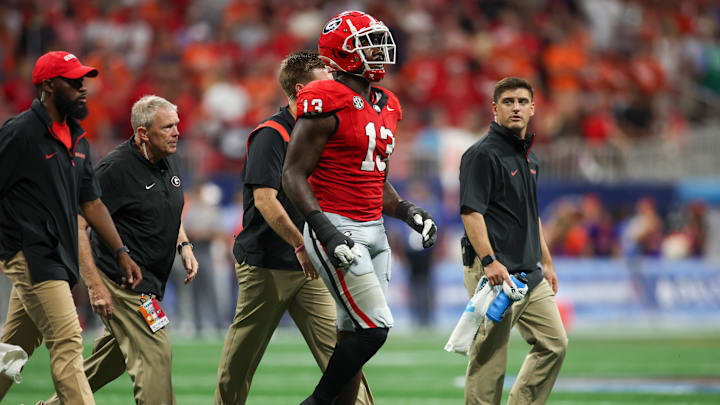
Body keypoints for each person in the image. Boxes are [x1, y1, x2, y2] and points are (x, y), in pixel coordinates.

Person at [282, 12, 437, 405]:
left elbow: (373, 176)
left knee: (353, 335)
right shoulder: (325, 97)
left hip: (375, 229)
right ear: (342, 53)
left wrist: (405, 210)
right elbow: (293, 174)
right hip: (336, 223)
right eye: (367, 44)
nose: (378, 52)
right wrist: (325, 230)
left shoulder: (386, 103)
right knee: (376, 327)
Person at [215, 50, 373, 405]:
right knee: (238, 366)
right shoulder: (271, 135)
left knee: (343, 357)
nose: (336, 89)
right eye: (326, 83)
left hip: (313, 265)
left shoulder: (326, 130)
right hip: (266, 264)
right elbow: (266, 200)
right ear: (302, 90)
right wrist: (301, 244)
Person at [0, 51, 142, 404]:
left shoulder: (78, 139)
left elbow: (91, 203)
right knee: (67, 341)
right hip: (30, 253)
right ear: (48, 86)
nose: (83, 89)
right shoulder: (20, 133)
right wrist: (9, 246)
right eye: (74, 82)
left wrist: (120, 250)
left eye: (83, 81)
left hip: (59, 256)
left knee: (14, 346)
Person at [42, 95, 198, 405]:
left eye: (176, 125)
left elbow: (169, 207)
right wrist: (96, 286)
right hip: (122, 281)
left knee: (110, 360)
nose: (176, 132)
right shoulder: (114, 170)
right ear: (142, 134)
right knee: (156, 351)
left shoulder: (169, 157)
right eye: (167, 127)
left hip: (151, 282)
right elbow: (77, 225)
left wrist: (184, 244)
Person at [458, 77, 568, 405]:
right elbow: (471, 213)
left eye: (522, 101)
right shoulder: (480, 155)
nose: (516, 107)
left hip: (529, 271)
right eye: (508, 101)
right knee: (489, 359)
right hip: (495, 271)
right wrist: (489, 260)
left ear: (533, 109)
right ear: (494, 109)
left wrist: (546, 261)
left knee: (554, 343)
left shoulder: (529, 159)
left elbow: (531, 215)